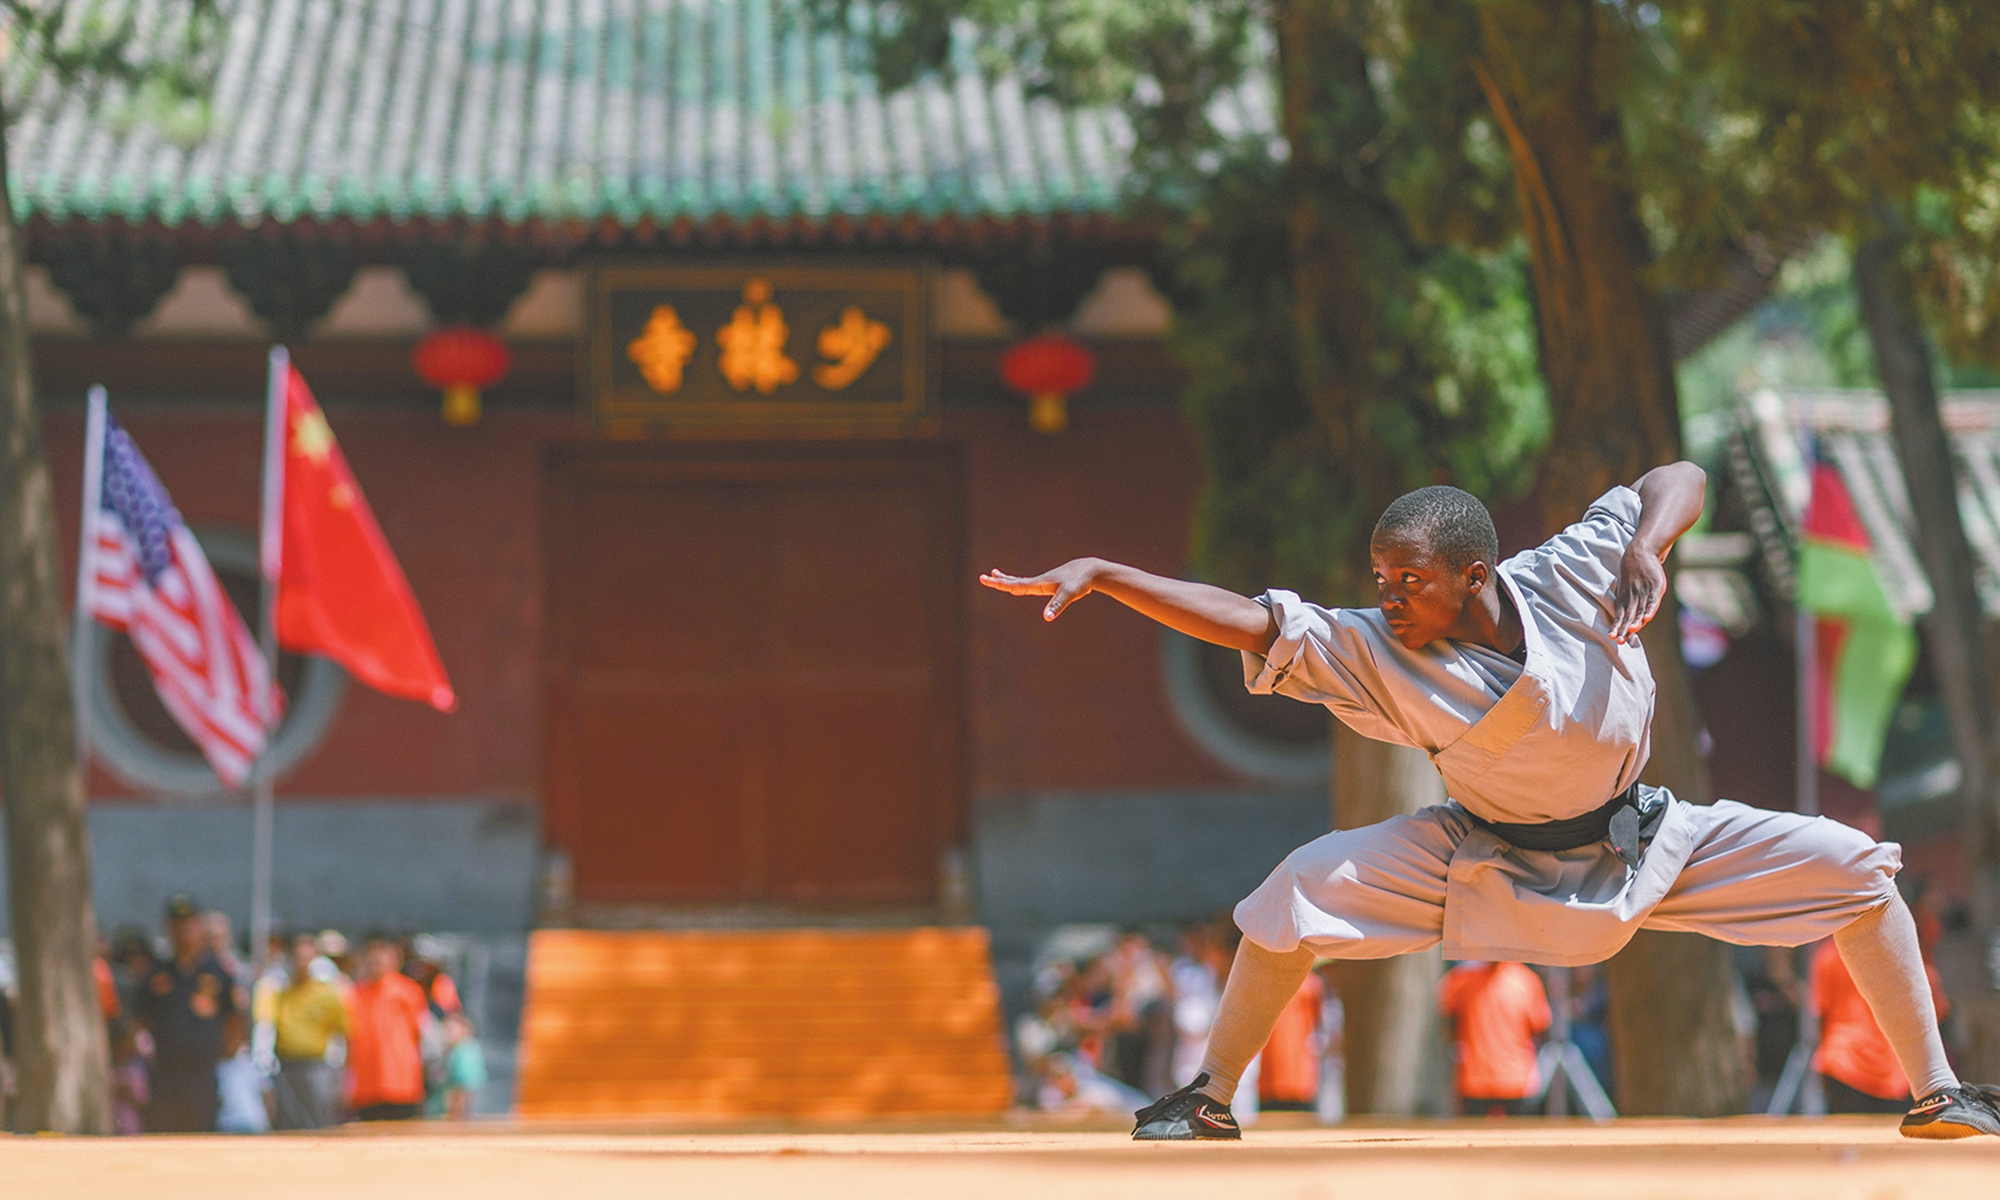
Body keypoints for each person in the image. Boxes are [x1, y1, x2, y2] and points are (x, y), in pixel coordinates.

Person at [983, 469, 2000, 1139]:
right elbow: (1252, 623)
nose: (1384, 598)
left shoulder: (1571, 571)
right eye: (1378, 578)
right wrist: (1110, 576)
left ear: (1472, 577)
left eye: (1406, 581)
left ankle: (1933, 1091)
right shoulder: (1376, 651)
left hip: (1640, 838)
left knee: (1857, 873)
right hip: (1478, 854)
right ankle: (1207, 1096)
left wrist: (1646, 543)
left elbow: (1675, 477)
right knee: (1292, 894)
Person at [132, 895, 243, 1132]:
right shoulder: (156, 973)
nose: (184, 932)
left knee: (201, 1134)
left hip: (201, 1071)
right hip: (165, 1071)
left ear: (199, 927)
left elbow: (235, 1018)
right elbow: (139, 1017)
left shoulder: (216, 972)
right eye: (177, 925)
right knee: (162, 1133)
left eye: (189, 925)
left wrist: (225, 1052)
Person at [1811, 937, 1951, 1114]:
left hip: (1843, 1060)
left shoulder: (1829, 953)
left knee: (1844, 1136)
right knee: (1894, 1137)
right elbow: (1932, 1019)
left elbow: (1821, 1013)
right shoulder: (1905, 952)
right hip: (1894, 1069)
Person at [255, 933, 350, 1130]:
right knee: (287, 1122)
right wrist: (264, 1066)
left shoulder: (326, 992)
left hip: (316, 1067)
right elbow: (266, 1027)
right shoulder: (279, 990)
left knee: (318, 1122)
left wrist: (337, 1072)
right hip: (286, 1065)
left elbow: (339, 1035)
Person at [1439, 961, 1550, 1117]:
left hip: (1491, 1080)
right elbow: (1540, 1028)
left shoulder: (1459, 978)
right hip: (1500, 1080)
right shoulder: (1526, 980)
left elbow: (1447, 1026)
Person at [344, 934, 430, 1122]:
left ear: (395, 958)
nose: (378, 960)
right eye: (373, 955)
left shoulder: (409, 992)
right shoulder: (354, 994)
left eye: (383, 953)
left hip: (402, 1085)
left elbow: (423, 1035)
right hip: (366, 1087)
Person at [426, 1012, 488, 1120]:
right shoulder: (459, 1049)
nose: (447, 1034)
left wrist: (454, 1117)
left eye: (452, 1029)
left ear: (464, 1030)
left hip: (452, 1112)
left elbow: (461, 1089)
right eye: (445, 1029)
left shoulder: (464, 1051)